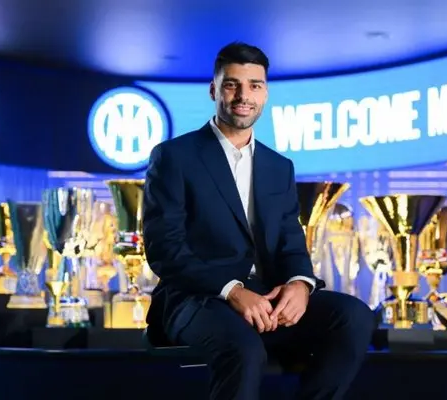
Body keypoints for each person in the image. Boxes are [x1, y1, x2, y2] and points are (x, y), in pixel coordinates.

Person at [143, 42, 376, 400]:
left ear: (265, 93)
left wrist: (300, 285)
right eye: (232, 84)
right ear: (214, 90)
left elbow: (290, 241)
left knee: (354, 316)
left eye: (254, 85)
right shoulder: (174, 156)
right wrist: (233, 291)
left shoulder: (279, 166)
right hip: (196, 300)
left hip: (267, 298)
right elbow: (165, 250)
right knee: (245, 350)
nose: (243, 96)